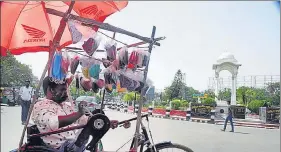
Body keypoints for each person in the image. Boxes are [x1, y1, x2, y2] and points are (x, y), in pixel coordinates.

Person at [31, 76, 120, 151]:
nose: (66, 93)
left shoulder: (65, 105)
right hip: (58, 149)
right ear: (51, 90)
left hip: (73, 144)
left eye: (66, 90)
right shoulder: (41, 105)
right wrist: (79, 112)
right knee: (87, 132)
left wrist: (107, 123)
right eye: (62, 90)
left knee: (95, 118)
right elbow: (53, 123)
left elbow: (84, 120)